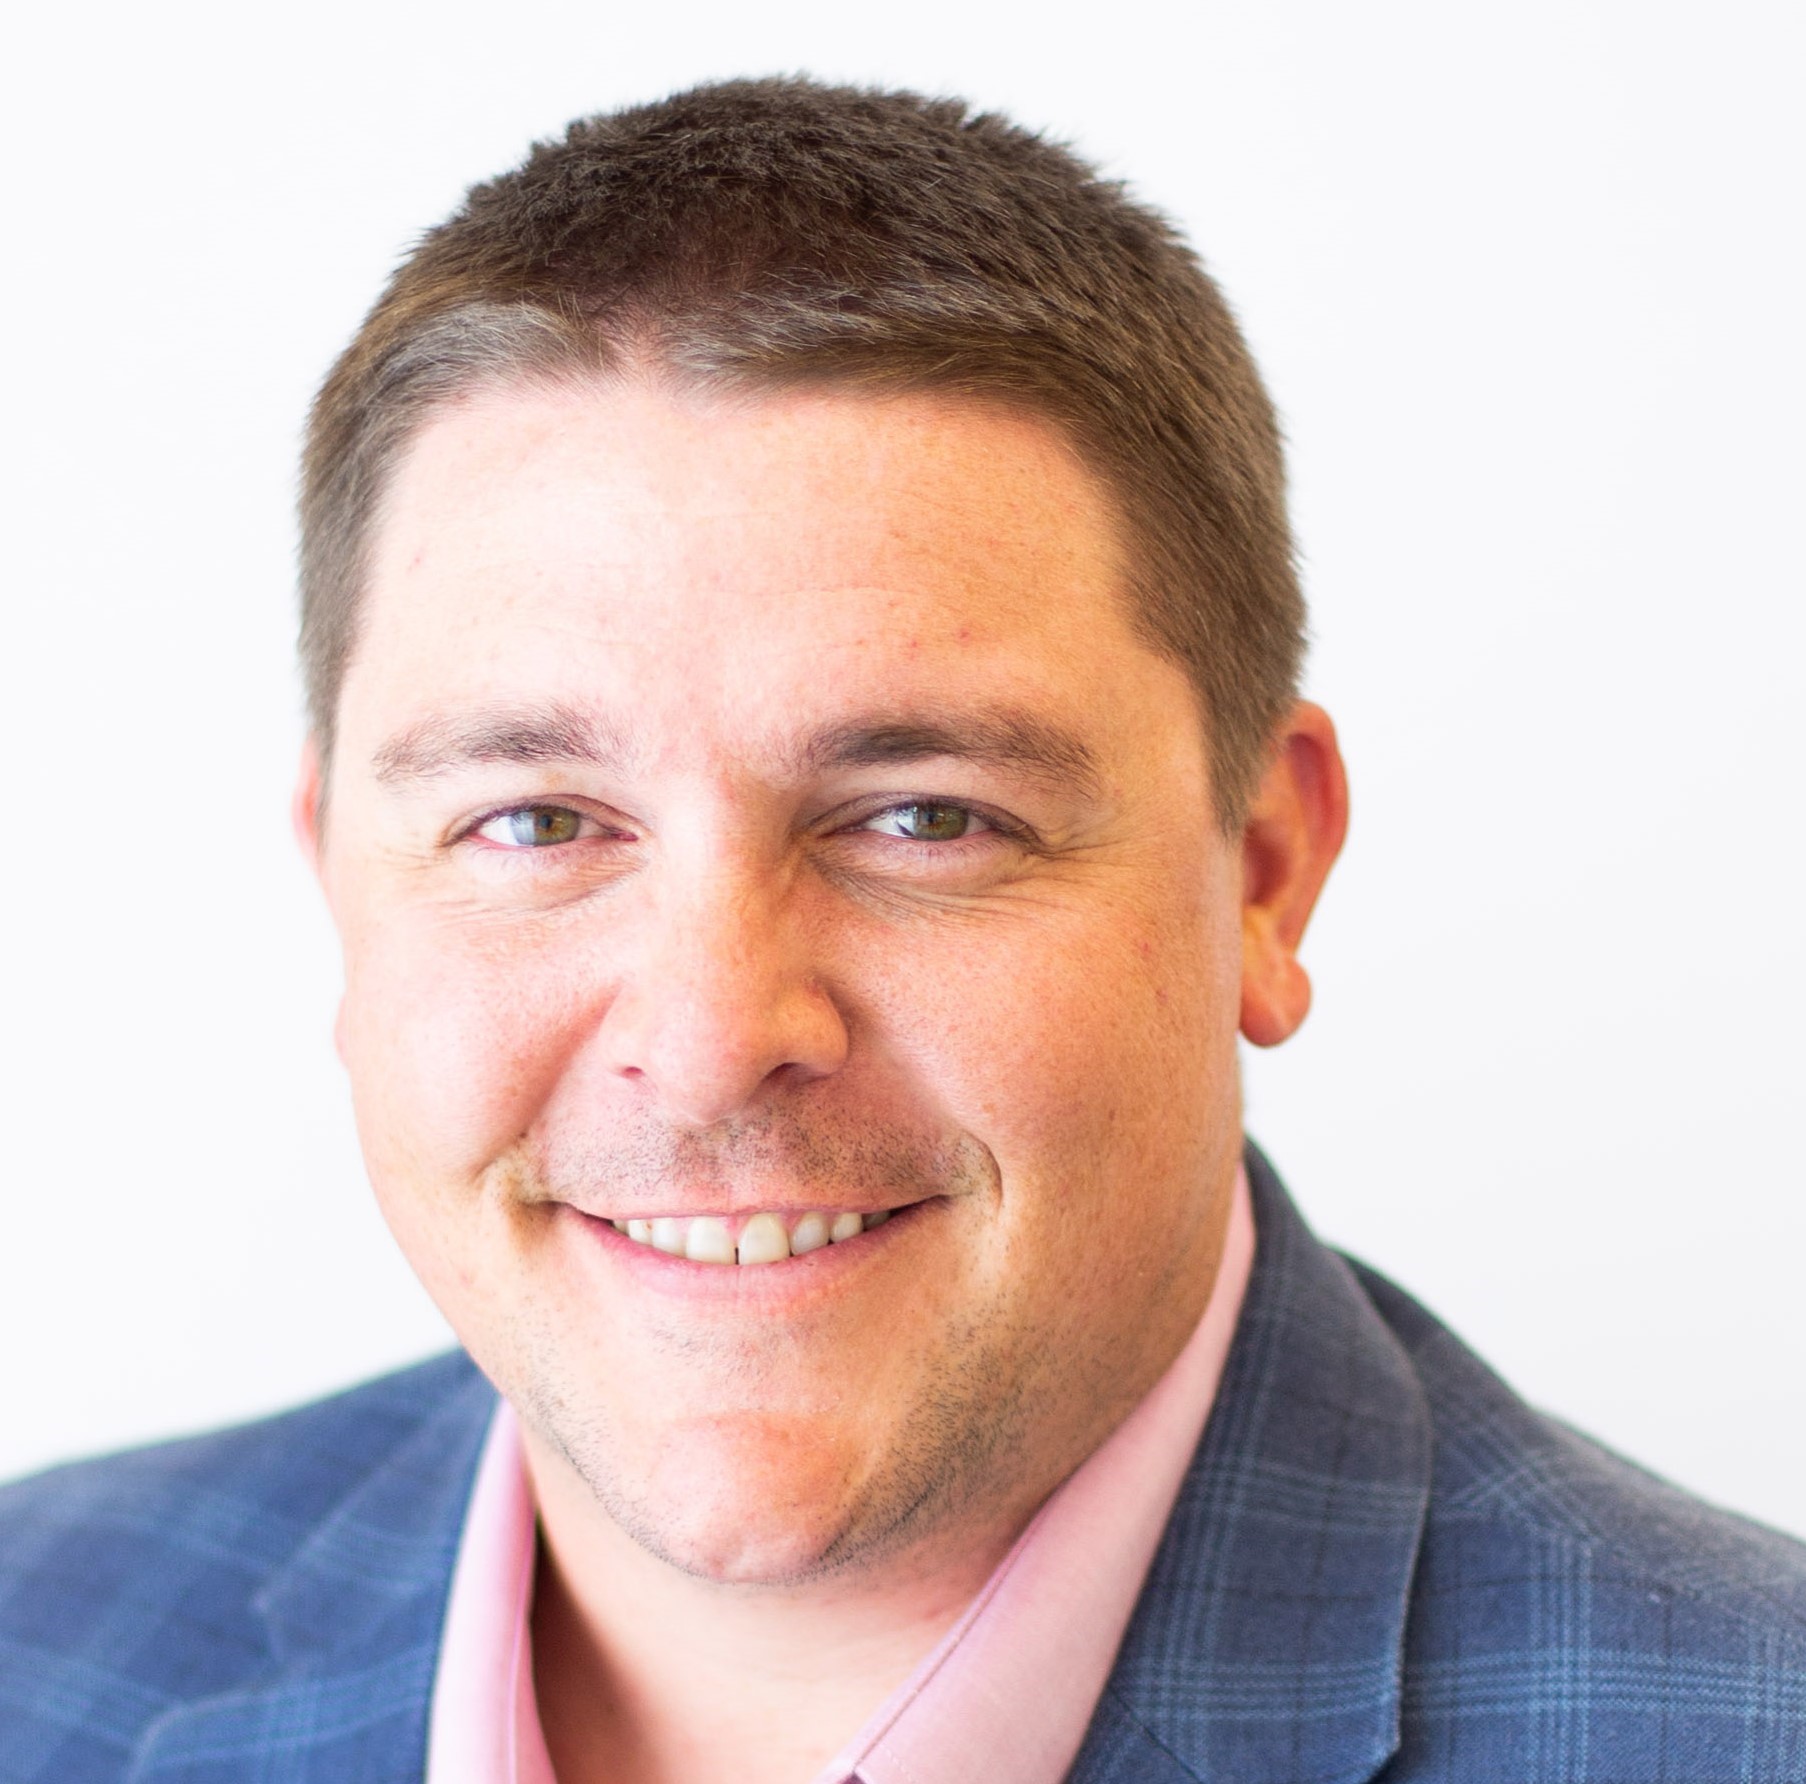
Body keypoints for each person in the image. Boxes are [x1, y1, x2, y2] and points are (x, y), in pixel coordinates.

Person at [2, 75, 1802, 1784]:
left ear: (1258, 870)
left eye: (925, 818)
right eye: (539, 822)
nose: (710, 1036)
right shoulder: (37, 1642)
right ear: (344, 885)